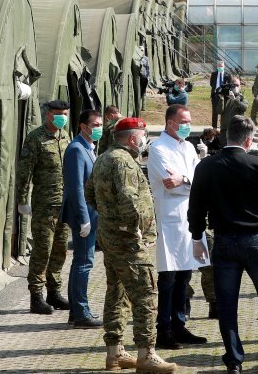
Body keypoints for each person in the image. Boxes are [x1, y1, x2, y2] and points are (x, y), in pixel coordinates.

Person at [189, 116, 258, 374]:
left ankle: (234, 361)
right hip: (255, 240)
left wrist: (196, 236)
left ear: (228, 137)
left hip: (224, 241)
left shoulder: (206, 166)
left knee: (227, 304)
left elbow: (196, 206)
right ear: (249, 140)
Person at [85, 117, 178, 374]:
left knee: (117, 293)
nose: (144, 141)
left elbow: (90, 193)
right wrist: (134, 228)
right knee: (146, 293)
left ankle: (115, 354)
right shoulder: (124, 161)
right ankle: (146, 354)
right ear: (133, 138)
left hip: (111, 236)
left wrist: (109, 217)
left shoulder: (104, 157)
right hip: (128, 241)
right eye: (142, 136)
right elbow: (129, 199)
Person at [147, 105, 209, 350]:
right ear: (170, 122)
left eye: (189, 121)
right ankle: (164, 328)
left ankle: (180, 324)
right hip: (170, 218)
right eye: (183, 121)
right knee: (169, 276)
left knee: (185, 274)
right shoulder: (158, 149)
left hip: (190, 216)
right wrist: (187, 181)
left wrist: (184, 178)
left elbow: (197, 180)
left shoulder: (189, 147)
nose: (187, 125)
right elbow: (169, 185)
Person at [17, 99, 72, 314]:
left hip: (63, 204)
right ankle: (36, 296)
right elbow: (24, 172)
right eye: (58, 114)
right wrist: (22, 200)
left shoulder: (65, 136)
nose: (62, 117)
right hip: (44, 206)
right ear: (48, 114)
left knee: (60, 250)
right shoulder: (35, 139)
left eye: (65, 114)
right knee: (42, 251)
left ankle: (54, 292)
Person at [61, 109, 104, 328]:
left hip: (90, 214)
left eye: (100, 124)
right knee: (83, 262)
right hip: (83, 215)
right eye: (95, 125)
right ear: (83, 126)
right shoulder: (77, 149)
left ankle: (76, 311)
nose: (98, 128)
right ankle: (81, 312)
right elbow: (76, 187)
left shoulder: (88, 148)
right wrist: (84, 218)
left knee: (83, 261)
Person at [210, 60, 232, 130]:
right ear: (217, 66)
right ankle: (214, 127)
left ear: (224, 66)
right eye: (219, 66)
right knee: (215, 111)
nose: (220, 67)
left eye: (221, 66)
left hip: (224, 95)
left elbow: (230, 85)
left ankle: (223, 126)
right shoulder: (214, 74)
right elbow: (211, 83)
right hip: (215, 95)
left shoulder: (228, 75)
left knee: (224, 111)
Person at [140, 47, 151, 111]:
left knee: (143, 92)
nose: (141, 51)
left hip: (144, 77)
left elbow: (148, 68)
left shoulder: (145, 58)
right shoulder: (137, 58)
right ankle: (138, 105)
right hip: (138, 77)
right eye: (140, 50)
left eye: (142, 50)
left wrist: (148, 77)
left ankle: (143, 107)